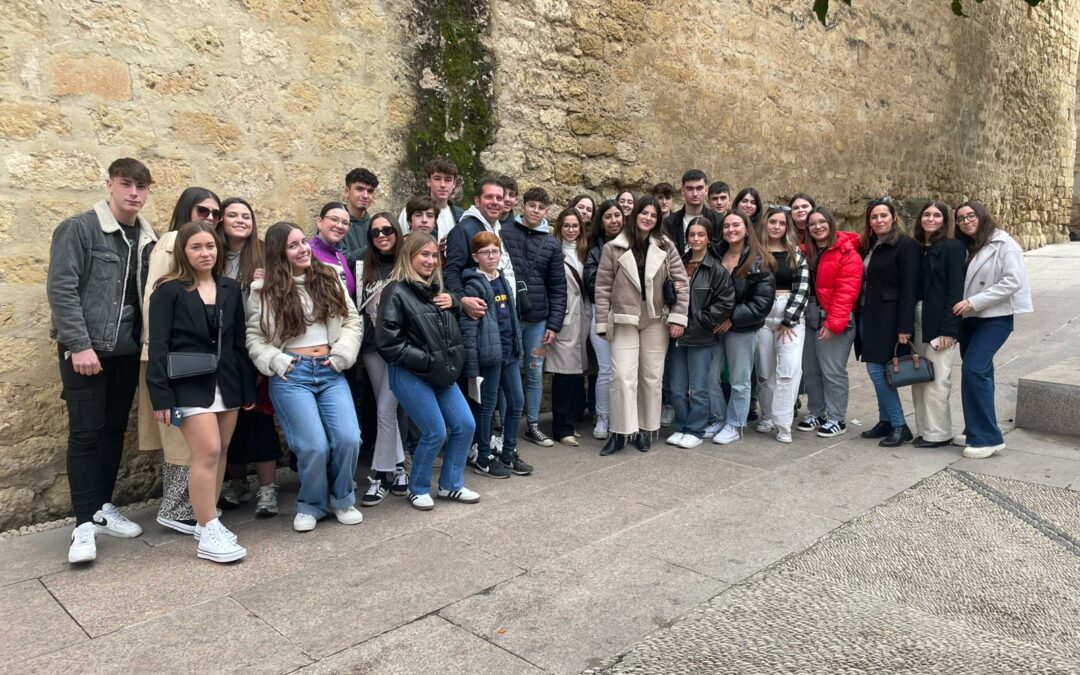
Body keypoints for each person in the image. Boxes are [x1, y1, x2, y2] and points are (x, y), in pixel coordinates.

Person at [48, 158, 156, 564]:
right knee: (86, 433)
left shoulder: (148, 237)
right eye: (127, 184)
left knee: (113, 431)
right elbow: (62, 289)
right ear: (110, 185)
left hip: (126, 352)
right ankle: (82, 525)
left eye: (142, 187)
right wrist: (79, 345)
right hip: (86, 352)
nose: (134, 193)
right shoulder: (79, 228)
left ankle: (101, 508)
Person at [147, 222, 256, 562]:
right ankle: (207, 530)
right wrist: (160, 395)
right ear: (184, 251)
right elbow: (158, 347)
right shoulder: (168, 291)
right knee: (206, 451)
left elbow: (238, 343)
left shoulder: (228, 288)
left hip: (228, 383)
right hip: (189, 383)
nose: (205, 252)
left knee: (222, 450)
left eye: (210, 246)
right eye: (196, 247)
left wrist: (247, 386)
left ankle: (209, 518)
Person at [246, 222, 364, 532]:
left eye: (303, 242)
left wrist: (341, 356)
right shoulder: (263, 290)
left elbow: (352, 321)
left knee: (349, 438)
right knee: (313, 446)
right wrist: (277, 361)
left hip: (329, 369)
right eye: (293, 245)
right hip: (292, 373)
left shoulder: (328, 277)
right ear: (278, 253)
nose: (303, 249)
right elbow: (254, 337)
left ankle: (342, 499)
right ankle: (311, 503)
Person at [376, 233, 479, 510]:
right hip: (410, 373)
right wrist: (426, 359)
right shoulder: (395, 291)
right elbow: (388, 342)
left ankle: (450, 485)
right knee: (435, 431)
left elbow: (443, 327)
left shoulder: (437, 290)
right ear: (409, 257)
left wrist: (455, 303)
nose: (430, 261)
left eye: (434, 256)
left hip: (440, 372)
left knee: (465, 425)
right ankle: (418, 487)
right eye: (424, 255)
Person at [141, 187, 222, 535]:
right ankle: (179, 509)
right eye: (203, 211)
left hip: (196, 363)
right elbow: (156, 300)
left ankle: (201, 511)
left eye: (215, 214)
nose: (210, 218)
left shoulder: (203, 249)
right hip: (177, 361)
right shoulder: (173, 242)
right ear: (186, 209)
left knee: (199, 446)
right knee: (185, 445)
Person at [594, 196, 689, 455]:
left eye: (653, 215)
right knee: (622, 376)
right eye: (644, 213)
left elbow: (681, 282)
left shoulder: (666, 246)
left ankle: (646, 429)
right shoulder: (613, 248)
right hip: (624, 319)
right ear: (634, 214)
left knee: (651, 377)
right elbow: (602, 288)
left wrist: (679, 317)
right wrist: (602, 322)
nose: (648, 218)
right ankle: (620, 432)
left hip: (656, 318)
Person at [217, 198, 282, 517]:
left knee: (259, 417)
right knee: (228, 419)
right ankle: (238, 483)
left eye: (246, 215)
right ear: (221, 219)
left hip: (255, 343)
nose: (240, 220)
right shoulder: (211, 250)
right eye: (232, 215)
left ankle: (268, 488)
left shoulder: (261, 254)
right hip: (221, 349)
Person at [952, 201, 1033, 458]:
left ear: (982, 215)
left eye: (970, 216)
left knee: (974, 369)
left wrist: (974, 301)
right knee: (980, 372)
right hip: (970, 319)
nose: (966, 221)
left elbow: (1013, 281)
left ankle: (988, 437)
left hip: (995, 317)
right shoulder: (968, 246)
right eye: (960, 218)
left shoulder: (1004, 243)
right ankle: (975, 428)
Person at [500, 187, 567, 446]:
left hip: (538, 321)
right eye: (531, 206)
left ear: (546, 211)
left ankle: (533, 425)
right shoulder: (505, 233)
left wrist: (554, 324)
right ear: (522, 206)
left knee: (534, 368)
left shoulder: (551, 244)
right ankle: (506, 426)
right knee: (509, 370)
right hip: (510, 317)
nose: (535, 211)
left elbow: (558, 287)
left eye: (541, 207)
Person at [460, 232, 526, 476]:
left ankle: (509, 452)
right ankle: (484, 455)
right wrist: (473, 367)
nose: (491, 256)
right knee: (487, 407)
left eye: (495, 251)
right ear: (476, 257)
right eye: (485, 252)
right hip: (489, 357)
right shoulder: (475, 284)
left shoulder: (504, 281)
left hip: (509, 353)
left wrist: (518, 346)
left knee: (517, 402)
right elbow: (469, 329)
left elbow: (512, 318)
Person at [709, 210, 776, 445]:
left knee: (740, 380)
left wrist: (732, 319)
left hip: (742, 329)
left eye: (736, 225)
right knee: (711, 376)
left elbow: (761, 304)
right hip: (714, 326)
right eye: (726, 226)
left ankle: (735, 424)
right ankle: (718, 419)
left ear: (747, 229)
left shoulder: (759, 261)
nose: (730, 230)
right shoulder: (715, 253)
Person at [666, 218, 734, 449]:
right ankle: (682, 426)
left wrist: (698, 322)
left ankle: (695, 429)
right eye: (692, 234)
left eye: (700, 234)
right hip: (676, 335)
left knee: (698, 387)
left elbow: (725, 303)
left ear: (708, 238)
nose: (695, 239)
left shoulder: (715, 269)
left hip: (700, 337)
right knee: (676, 387)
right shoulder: (678, 264)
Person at [857, 197, 919, 447]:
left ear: (893, 217)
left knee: (877, 371)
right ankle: (885, 421)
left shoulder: (905, 246)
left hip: (889, 317)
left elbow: (909, 288)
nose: (879, 220)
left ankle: (899, 425)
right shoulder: (870, 244)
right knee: (878, 370)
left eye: (883, 215)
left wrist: (905, 327)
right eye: (874, 217)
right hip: (867, 314)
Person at [358, 213, 411, 506]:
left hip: (401, 346)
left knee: (387, 407)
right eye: (375, 232)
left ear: (397, 231)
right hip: (371, 347)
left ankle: (380, 474)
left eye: (387, 230)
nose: (381, 236)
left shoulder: (407, 263)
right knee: (385, 407)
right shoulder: (361, 264)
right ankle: (398, 467)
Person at [798, 207, 862, 438]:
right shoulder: (806, 252)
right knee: (811, 369)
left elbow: (846, 292)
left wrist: (833, 323)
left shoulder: (847, 254)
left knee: (832, 371)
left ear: (831, 223)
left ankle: (837, 418)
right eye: (812, 223)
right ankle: (817, 411)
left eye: (822, 222)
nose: (818, 227)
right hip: (810, 317)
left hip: (835, 319)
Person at [910, 201, 965, 448]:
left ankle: (939, 433)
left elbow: (955, 290)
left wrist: (949, 330)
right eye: (927, 214)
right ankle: (924, 430)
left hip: (939, 319)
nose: (931, 218)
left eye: (937, 215)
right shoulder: (917, 248)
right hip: (916, 316)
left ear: (944, 220)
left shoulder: (953, 248)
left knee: (938, 378)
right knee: (919, 376)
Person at [755, 207, 809, 443]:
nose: (776, 226)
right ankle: (767, 415)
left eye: (781, 223)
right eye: (772, 222)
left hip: (790, 316)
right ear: (765, 224)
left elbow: (803, 288)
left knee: (788, 371)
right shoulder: (756, 253)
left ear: (787, 227)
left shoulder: (795, 254)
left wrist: (790, 319)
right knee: (765, 373)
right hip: (761, 317)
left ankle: (783, 423)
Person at [546, 208, 592, 446]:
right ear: (559, 228)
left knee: (576, 372)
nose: (571, 230)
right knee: (563, 373)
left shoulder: (584, 253)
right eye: (566, 226)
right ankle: (561, 428)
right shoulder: (553, 252)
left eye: (575, 226)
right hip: (564, 318)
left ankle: (571, 422)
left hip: (582, 317)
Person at [444, 177, 516, 320]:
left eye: (499, 198)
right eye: (489, 197)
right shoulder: (463, 230)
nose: (495, 202)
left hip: (504, 311)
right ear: (477, 201)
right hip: (481, 315)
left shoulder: (500, 229)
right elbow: (452, 271)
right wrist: (462, 299)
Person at [583, 199, 623, 440]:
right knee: (606, 369)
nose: (614, 220)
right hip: (602, 314)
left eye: (617, 215)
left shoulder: (634, 244)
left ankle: (624, 416)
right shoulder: (595, 249)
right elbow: (591, 284)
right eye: (608, 216)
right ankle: (603, 417)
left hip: (630, 315)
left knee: (626, 370)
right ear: (601, 221)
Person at [399, 157, 463, 248]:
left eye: (448, 180)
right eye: (437, 179)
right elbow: (402, 247)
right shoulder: (411, 211)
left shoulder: (461, 216)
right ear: (428, 181)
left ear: (454, 184)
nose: (442, 185)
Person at [663, 169, 724, 254]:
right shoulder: (669, 223)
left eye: (699, 188)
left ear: (706, 191)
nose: (695, 194)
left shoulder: (719, 221)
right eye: (690, 189)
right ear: (683, 191)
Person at [310, 202, 356, 298]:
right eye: (334, 219)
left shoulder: (340, 256)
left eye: (345, 223)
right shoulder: (307, 253)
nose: (339, 226)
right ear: (319, 222)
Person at [339, 168, 379, 268]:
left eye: (370, 191)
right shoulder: (335, 224)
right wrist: (373, 247)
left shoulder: (375, 225)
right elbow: (339, 260)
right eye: (360, 189)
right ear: (347, 191)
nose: (365, 196)